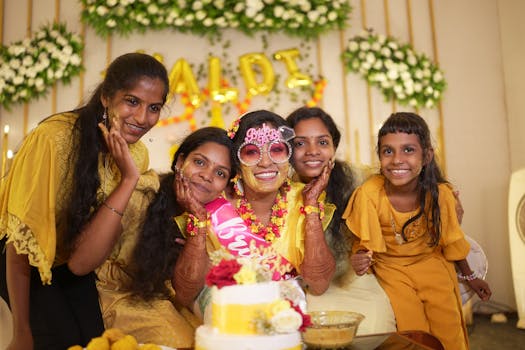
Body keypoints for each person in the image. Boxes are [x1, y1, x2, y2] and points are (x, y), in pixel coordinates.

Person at [0, 52, 169, 350]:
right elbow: (20, 242)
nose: (143, 118)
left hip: (68, 263)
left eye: (154, 107)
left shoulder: (136, 156)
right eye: (132, 101)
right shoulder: (53, 139)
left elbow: (81, 264)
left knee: (95, 343)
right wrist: (21, 331)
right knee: (58, 341)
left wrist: (129, 178)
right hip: (21, 262)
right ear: (106, 97)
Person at [343, 112, 492, 349]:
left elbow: (452, 240)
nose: (397, 159)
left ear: (427, 156)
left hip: (432, 264)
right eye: (388, 151)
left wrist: (470, 276)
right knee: (414, 332)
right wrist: (360, 259)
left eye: (408, 150)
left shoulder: (440, 194)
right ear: (379, 156)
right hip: (392, 269)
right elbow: (364, 244)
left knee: (449, 328)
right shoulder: (369, 194)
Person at [172, 110, 336, 315]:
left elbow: (319, 284)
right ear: (237, 166)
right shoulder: (212, 205)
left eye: (276, 150)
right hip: (229, 319)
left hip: (285, 317)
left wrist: (311, 208)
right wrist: (198, 221)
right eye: (251, 152)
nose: (266, 162)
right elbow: (185, 295)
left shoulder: (304, 200)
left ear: (289, 158)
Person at [98, 126, 234, 348]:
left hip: (168, 299)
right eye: (200, 162)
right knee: (184, 342)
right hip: (118, 294)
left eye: (220, 173)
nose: (207, 176)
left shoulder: (217, 219)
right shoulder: (142, 194)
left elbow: (186, 293)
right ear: (180, 162)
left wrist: (197, 229)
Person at [286, 106, 396, 335]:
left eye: (322, 142)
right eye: (300, 143)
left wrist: (445, 195)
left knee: (371, 334)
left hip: (361, 284)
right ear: (287, 150)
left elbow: (407, 182)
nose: (312, 151)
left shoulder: (361, 180)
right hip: (314, 290)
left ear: (334, 147)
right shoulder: (282, 194)